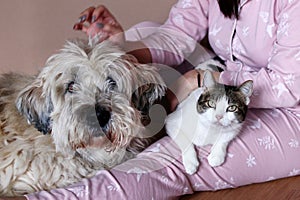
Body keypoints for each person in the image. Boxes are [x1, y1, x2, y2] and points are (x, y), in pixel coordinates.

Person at [2, 0, 300, 199]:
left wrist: (199, 80)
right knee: (146, 31)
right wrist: (119, 53)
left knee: (176, 158)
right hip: (221, 72)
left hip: (283, 103)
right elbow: (179, 32)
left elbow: (288, 84)